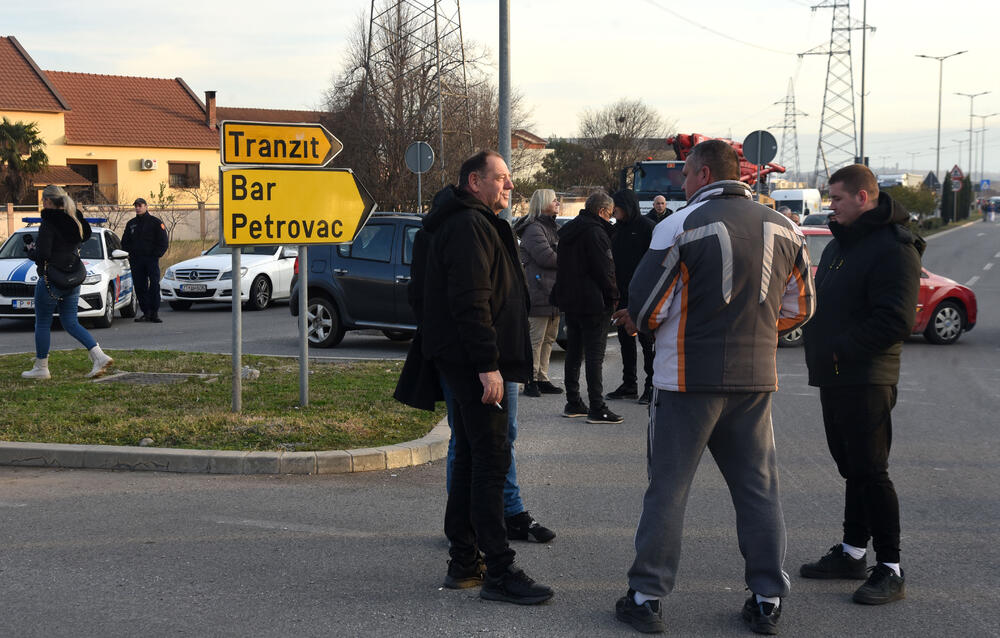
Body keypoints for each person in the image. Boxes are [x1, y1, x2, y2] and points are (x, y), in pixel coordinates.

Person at [611, 140, 815, 635]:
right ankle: (767, 598)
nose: (681, 184)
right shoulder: (786, 227)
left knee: (669, 491)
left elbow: (646, 307)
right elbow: (800, 307)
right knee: (758, 491)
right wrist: (758, 328)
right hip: (755, 381)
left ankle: (646, 597)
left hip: (685, 381)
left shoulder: (678, 226)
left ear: (702, 174)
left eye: (685, 175)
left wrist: (652, 322)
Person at [414, 150, 552, 605]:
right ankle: (498, 570)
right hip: (476, 366)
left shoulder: (463, 219)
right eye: (502, 178)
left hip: (468, 362)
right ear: (475, 181)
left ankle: (463, 562)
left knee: (474, 459)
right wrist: (486, 365)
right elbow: (472, 301)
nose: (510, 186)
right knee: (491, 460)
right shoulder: (467, 225)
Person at [800, 164, 923, 606]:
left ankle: (890, 567)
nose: (829, 206)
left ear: (863, 198)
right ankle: (853, 552)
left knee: (871, 471)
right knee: (851, 467)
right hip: (835, 375)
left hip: (867, 375)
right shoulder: (840, 245)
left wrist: (840, 349)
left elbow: (896, 319)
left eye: (835, 198)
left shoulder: (894, 248)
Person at [21, 185, 114, 380]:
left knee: (43, 322)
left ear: (47, 201)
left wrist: (31, 252)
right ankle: (99, 356)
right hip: (73, 277)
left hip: (51, 278)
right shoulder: (74, 218)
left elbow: (44, 254)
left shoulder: (49, 222)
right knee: (71, 321)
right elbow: (85, 236)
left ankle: (41, 367)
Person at [551, 191, 622, 424]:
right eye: (610, 214)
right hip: (594, 302)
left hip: (571, 300)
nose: (611, 218)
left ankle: (573, 401)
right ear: (602, 211)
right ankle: (597, 407)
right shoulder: (595, 232)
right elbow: (604, 269)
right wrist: (614, 295)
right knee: (594, 356)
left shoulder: (570, 230)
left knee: (574, 352)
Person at [606, 189, 656, 405]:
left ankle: (651, 385)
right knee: (625, 339)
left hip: (643, 294)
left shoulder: (647, 228)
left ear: (626, 206)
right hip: (622, 293)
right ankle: (629, 383)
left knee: (647, 342)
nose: (612, 210)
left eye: (615, 206)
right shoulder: (616, 230)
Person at [516, 189, 563, 398]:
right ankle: (531, 379)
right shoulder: (534, 229)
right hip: (539, 292)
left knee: (549, 338)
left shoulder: (551, 226)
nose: (557, 202)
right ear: (543, 203)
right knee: (536, 339)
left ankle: (542, 377)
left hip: (553, 292)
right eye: (554, 200)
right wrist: (569, 258)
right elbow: (547, 258)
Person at [122, 197, 169, 323]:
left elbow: (163, 241)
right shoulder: (131, 224)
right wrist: (130, 254)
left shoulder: (155, 222)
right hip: (136, 260)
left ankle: (154, 313)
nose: (137, 208)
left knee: (154, 284)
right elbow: (125, 242)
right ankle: (146, 312)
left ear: (146, 206)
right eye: (136, 206)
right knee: (140, 286)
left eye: (140, 205)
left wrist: (156, 255)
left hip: (151, 260)